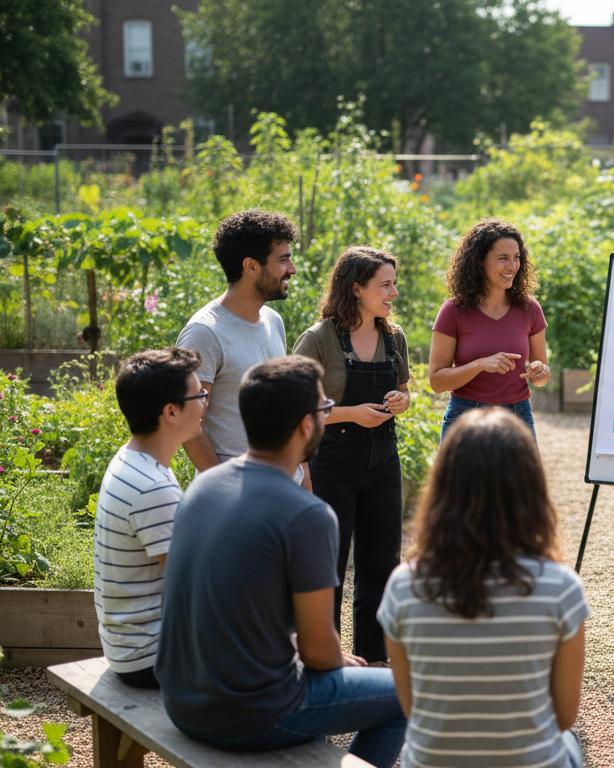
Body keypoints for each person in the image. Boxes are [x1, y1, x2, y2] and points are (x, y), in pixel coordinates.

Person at [155, 357, 406, 766]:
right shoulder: (308, 514)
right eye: (324, 409)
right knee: (405, 693)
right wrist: (329, 656)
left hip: (180, 700)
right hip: (249, 716)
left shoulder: (204, 486)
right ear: (306, 426)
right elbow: (318, 653)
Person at [377, 408, 589, 768]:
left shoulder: (403, 586)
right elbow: (563, 717)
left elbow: (414, 707)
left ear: (442, 489)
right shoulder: (560, 589)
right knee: (569, 745)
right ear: (530, 490)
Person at [293, 246, 411, 665]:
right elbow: (297, 405)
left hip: (383, 460)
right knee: (329, 562)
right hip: (332, 462)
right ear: (357, 288)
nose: (393, 292)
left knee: (382, 561)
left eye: (393, 283)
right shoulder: (318, 338)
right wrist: (351, 414)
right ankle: (325, 656)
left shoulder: (394, 338)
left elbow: (406, 391)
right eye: (386, 284)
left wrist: (401, 400)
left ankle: (375, 657)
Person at [93, 347, 206, 689]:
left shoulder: (135, 460)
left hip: (130, 644)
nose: (205, 402)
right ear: (171, 412)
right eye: (199, 395)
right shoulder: (151, 487)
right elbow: (193, 587)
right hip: (150, 654)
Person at [177, 209, 304, 483]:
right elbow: (189, 423)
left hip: (282, 486)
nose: (291, 270)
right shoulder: (204, 333)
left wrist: (303, 478)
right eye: (283, 260)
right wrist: (223, 487)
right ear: (251, 266)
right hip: (239, 494)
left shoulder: (273, 321)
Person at [428, 218, 551, 440]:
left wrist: (540, 371)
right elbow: (437, 381)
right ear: (480, 261)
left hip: (517, 415)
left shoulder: (530, 308)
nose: (512, 266)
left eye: (516, 258)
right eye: (503, 258)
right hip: (465, 416)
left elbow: (542, 377)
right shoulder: (453, 310)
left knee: (520, 477)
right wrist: (480, 365)